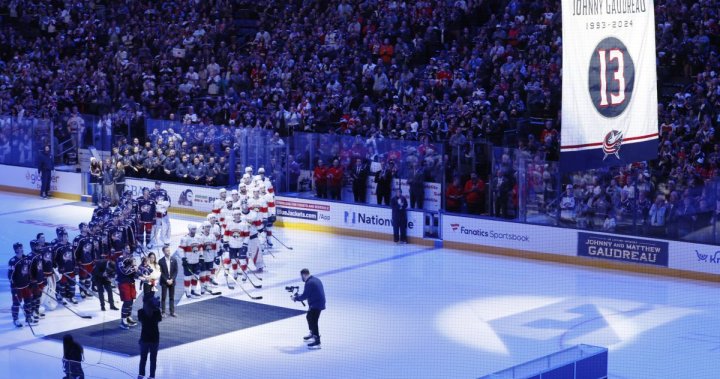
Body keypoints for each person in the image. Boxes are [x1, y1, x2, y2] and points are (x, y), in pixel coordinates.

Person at [292, 268, 326, 349]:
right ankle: (312, 333)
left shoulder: (309, 283)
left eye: (301, 276)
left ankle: (317, 340)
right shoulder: (315, 279)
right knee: (309, 317)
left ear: (304, 275)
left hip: (316, 304)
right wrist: (299, 296)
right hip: (318, 302)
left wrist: (295, 298)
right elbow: (308, 293)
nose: (301, 278)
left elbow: (305, 296)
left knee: (313, 321)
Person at [9, 242, 34, 327]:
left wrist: (30, 281)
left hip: (26, 285)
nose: (21, 249)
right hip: (17, 287)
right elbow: (10, 275)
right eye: (19, 248)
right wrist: (13, 285)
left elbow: (29, 271)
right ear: (16, 250)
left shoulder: (26, 259)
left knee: (28, 302)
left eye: (22, 247)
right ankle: (15, 319)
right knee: (16, 303)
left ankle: (28, 317)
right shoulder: (13, 261)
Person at [138, 293, 162, 379]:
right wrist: (156, 308)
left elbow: (141, 320)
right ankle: (152, 376)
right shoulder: (157, 312)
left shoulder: (140, 312)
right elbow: (159, 319)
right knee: (153, 359)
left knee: (143, 358)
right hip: (154, 338)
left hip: (144, 338)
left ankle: (141, 374)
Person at [158, 245, 178, 317]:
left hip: (172, 281)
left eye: (169, 250)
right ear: (163, 252)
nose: (168, 252)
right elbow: (161, 272)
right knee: (163, 297)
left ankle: (172, 312)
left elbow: (176, 271)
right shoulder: (160, 261)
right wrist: (167, 280)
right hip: (164, 282)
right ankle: (163, 312)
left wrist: (172, 279)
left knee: (171, 297)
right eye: (166, 251)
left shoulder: (174, 259)